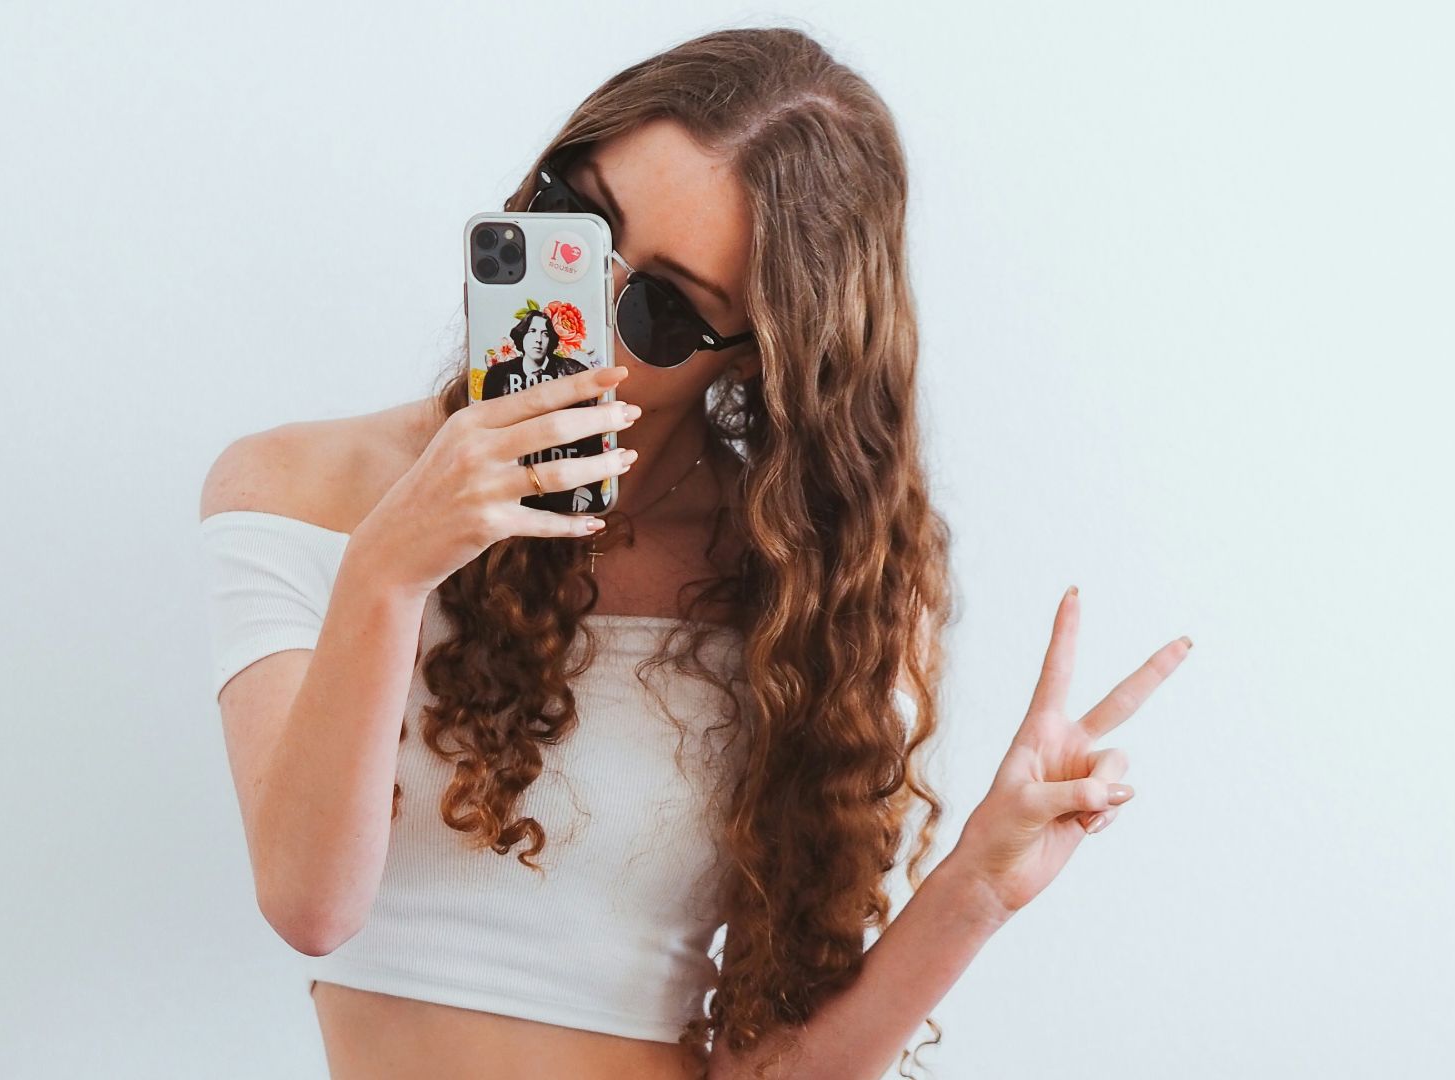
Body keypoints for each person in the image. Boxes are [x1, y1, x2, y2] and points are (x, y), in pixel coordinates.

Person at [198, 27, 1191, 1080]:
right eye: (572, 224)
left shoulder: (808, 593)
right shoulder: (295, 491)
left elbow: (767, 1071)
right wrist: (391, 569)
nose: (581, 313)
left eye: (663, 309)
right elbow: (311, 905)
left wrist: (977, 890)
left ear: (760, 355)